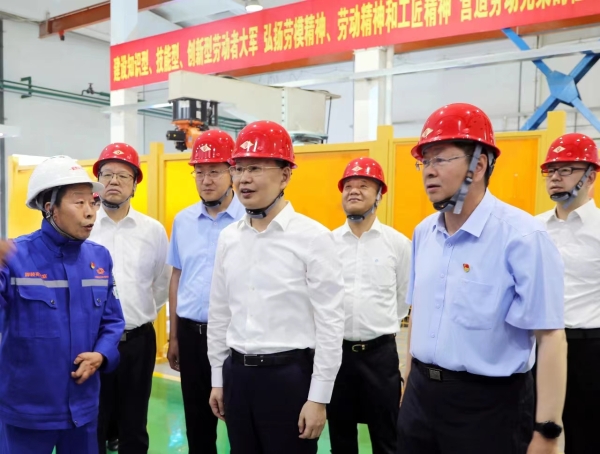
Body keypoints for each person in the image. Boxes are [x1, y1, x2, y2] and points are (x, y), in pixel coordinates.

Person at [397, 103, 567, 454]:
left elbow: (550, 336)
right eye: (424, 161)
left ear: (478, 165)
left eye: (440, 159)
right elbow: (418, 314)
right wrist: (408, 385)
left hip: (490, 408)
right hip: (420, 399)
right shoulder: (423, 233)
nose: (429, 171)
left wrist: (547, 431)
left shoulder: (522, 237)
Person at [207, 120, 345, 454]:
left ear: (285, 175)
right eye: (239, 168)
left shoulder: (313, 237)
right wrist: (218, 378)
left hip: (289, 380)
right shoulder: (228, 238)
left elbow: (330, 322)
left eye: (255, 168)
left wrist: (318, 398)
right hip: (237, 377)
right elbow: (220, 311)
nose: (243, 179)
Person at [0, 155, 125, 454]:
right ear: (49, 208)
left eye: (92, 202)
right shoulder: (15, 258)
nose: (90, 212)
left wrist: (101, 354)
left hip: (82, 410)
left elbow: (112, 321)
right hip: (27, 411)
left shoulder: (99, 258)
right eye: (78, 202)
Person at [166, 129, 245, 453]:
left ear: (232, 172)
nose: (206, 180)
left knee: (240, 422)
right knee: (197, 424)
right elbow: (177, 277)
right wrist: (174, 336)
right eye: (200, 172)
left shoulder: (249, 220)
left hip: (234, 337)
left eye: (214, 171)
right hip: (191, 335)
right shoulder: (183, 221)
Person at [90, 143, 171, 454]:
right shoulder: (84, 226)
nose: (114, 181)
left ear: (135, 184)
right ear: (97, 182)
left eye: (123, 175)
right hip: (90, 341)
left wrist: (138, 313)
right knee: (93, 421)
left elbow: (161, 283)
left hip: (138, 341)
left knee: (134, 423)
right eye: (107, 174)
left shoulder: (152, 231)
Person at [329, 157, 410, 454]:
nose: (354, 191)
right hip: (337, 356)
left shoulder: (398, 244)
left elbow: (403, 300)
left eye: (363, 185)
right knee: (341, 438)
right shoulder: (328, 243)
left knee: (387, 438)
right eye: (348, 186)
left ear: (379, 195)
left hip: (380, 357)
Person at [536, 133, 600, 453]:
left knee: (586, 435)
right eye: (551, 171)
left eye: (566, 170)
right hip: (536, 345)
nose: (555, 178)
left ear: (590, 176)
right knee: (531, 432)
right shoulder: (532, 228)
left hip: (588, 350)